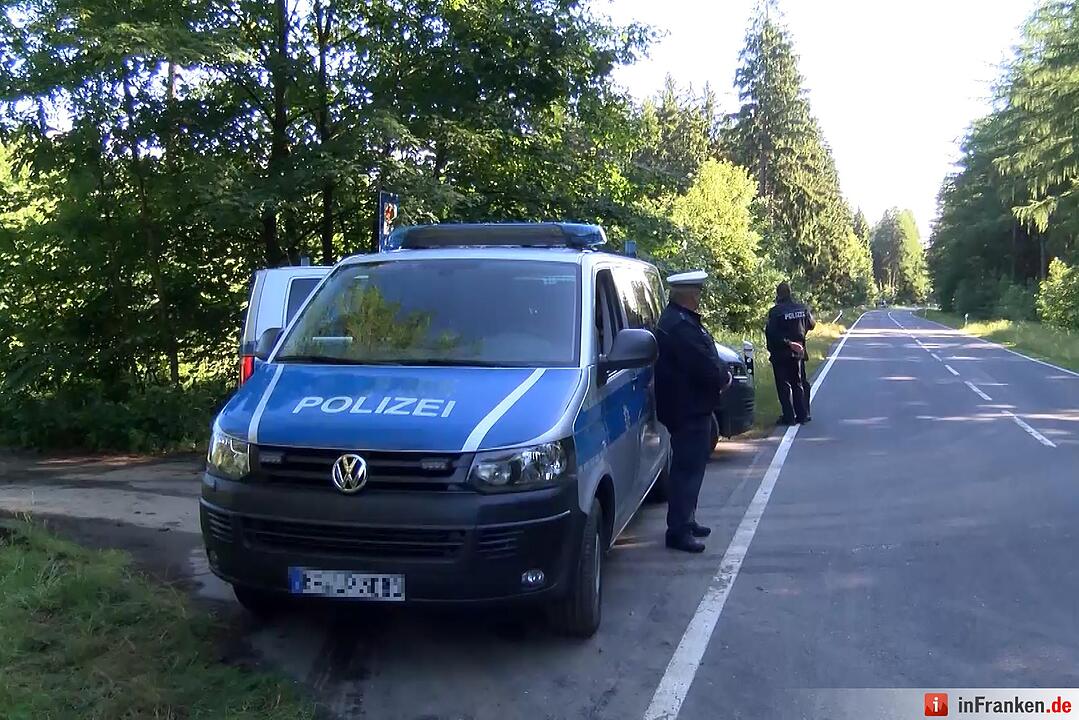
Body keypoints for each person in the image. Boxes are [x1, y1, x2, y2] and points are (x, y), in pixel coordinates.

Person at [654, 270, 733, 553]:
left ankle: (687, 519)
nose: (699, 296)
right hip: (687, 408)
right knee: (686, 470)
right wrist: (723, 378)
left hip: (690, 406)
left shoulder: (682, 321)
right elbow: (703, 364)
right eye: (697, 292)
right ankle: (678, 530)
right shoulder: (680, 326)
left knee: (693, 467)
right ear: (687, 294)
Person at [765, 281, 816, 426]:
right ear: (790, 292)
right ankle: (802, 414)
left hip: (781, 353)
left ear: (778, 294)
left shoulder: (775, 312)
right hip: (798, 352)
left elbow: (772, 333)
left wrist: (788, 343)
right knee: (798, 383)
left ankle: (789, 417)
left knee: (783, 386)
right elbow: (812, 324)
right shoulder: (802, 308)